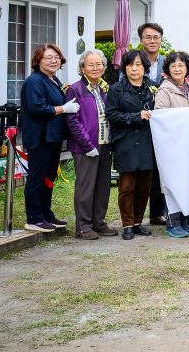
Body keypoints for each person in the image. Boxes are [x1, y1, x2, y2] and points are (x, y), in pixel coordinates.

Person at [63, 49, 117, 240]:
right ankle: (83, 226)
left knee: (103, 186)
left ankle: (98, 222)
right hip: (86, 146)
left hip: (105, 143)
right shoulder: (75, 89)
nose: (96, 68)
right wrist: (87, 145)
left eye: (99, 64)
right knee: (85, 187)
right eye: (91, 64)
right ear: (82, 68)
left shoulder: (105, 89)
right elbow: (72, 121)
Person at [19, 43, 73, 233]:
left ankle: (46, 213)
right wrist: (63, 109)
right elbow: (37, 108)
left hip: (53, 137)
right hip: (40, 137)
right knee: (37, 177)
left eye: (56, 57)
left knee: (49, 177)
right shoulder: (34, 81)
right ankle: (34, 217)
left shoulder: (53, 80)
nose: (53, 61)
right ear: (38, 60)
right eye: (48, 57)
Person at [106, 50, 156, 241]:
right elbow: (112, 115)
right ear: (124, 67)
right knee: (126, 187)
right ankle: (127, 224)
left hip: (147, 143)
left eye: (138, 65)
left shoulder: (153, 87)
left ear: (145, 68)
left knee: (144, 187)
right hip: (125, 143)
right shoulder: (116, 89)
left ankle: (137, 222)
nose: (134, 69)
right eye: (130, 65)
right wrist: (136, 117)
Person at [154, 51, 189, 239]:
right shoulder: (164, 91)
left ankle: (186, 221)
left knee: (187, 183)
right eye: (173, 66)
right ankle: (173, 222)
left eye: (181, 65)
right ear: (168, 70)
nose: (177, 69)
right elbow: (161, 119)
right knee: (171, 184)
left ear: (187, 68)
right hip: (171, 145)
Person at [135, 23, 167, 225]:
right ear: (141, 40)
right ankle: (135, 217)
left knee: (162, 169)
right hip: (141, 122)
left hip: (164, 124)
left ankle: (158, 212)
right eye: (148, 37)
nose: (152, 41)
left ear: (161, 40)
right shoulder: (133, 61)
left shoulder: (168, 62)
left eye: (156, 37)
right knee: (142, 170)